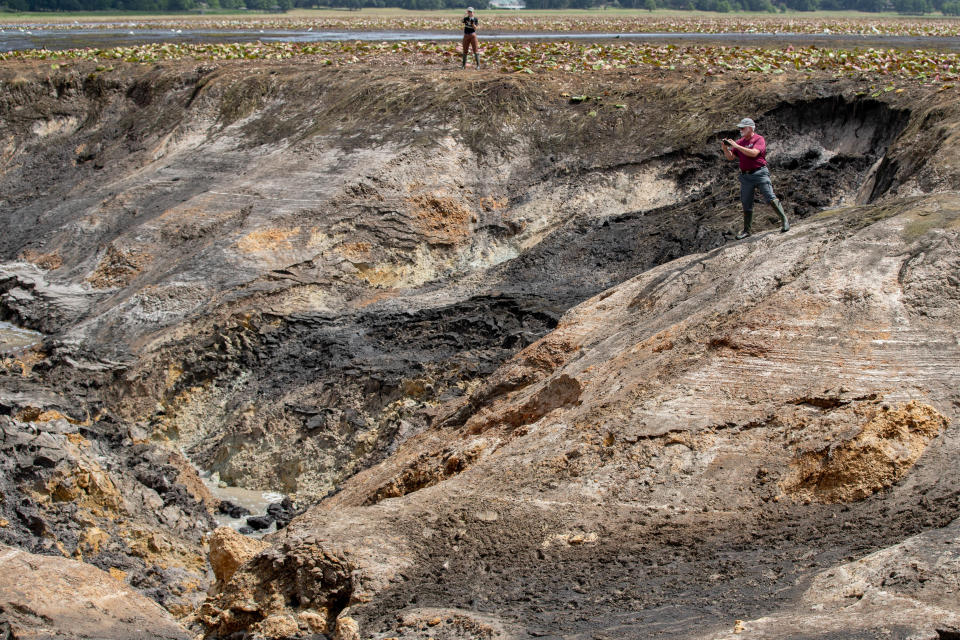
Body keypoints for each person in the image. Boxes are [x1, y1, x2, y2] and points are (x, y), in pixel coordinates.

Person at [721, 117, 789, 239]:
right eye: (740, 128)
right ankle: (747, 230)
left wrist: (736, 145)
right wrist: (725, 148)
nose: (740, 130)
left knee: (769, 197)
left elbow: (754, 153)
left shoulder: (759, 139)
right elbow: (731, 157)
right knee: (746, 202)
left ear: (750, 128)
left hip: (760, 173)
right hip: (746, 176)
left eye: (743, 128)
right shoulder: (740, 142)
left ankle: (784, 220)